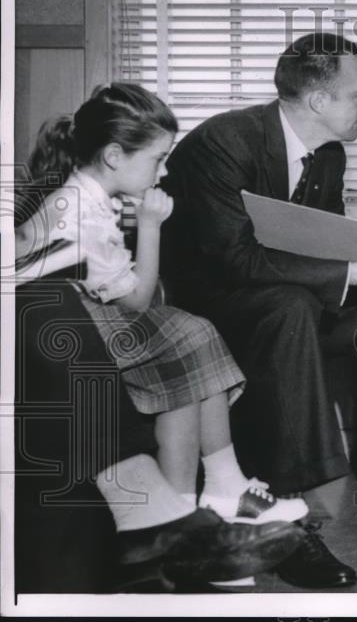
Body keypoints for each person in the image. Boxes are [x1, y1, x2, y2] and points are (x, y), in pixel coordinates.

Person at [161, 32, 357, 588]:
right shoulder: (222, 143)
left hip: (283, 296)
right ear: (319, 100)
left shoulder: (328, 155)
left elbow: (326, 243)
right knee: (291, 308)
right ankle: (291, 524)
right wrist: (351, 275)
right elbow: (233, 259)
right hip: (213, 306)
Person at [15, 84, 310, 588]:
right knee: (188, 335)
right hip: (60, 327)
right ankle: (205, 500)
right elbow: (136, 299)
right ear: (113, 156)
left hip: (71, 320)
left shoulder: (89, 197)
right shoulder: (81, 214)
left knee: (191, 336)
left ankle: (182, 517)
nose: (165, 171)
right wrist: (150, 226)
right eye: (158, 159)